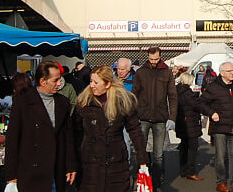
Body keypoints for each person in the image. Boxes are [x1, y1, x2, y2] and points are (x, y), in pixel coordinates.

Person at [4, 61, 76, 192]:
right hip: (30, 170)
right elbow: (12, 140)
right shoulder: (23, 103)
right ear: (43, 81)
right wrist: (11, 174)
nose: (59, 83)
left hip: (55, 170)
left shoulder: (63, 102)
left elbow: (68, 138)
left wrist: (71, 166)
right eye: (56, 80)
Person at [73, 65, 148, 191]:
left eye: (96, 82)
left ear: (107, 84)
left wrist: (142, 159)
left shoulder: (123, 101)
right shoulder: (84, 103)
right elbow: (75, 132)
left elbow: (135, 130)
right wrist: (73, 162)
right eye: (91, 81)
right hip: (90, 163)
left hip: (116, 162)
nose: (92, 85)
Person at [199, 62, 233, 192]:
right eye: (229, 71)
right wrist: (212, 113)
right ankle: (221, 182)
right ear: (222, 73)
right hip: (220, 127)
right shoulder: (213, 87)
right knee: (220, 157)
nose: (232, 73)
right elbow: (201, 103)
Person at [132, 47, 177, 187]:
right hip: (143, 116)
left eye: (156, 59)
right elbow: (135, 94)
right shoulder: (141, 72)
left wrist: (172, 118)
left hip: (160, 117)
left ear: (160, 56)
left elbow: (173, 96)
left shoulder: (167, 72)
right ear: (148, 57)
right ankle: (140, 179)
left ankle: (157, 181)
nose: (153, 62)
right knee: (141, 150)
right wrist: (134, 114)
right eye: (151, 59)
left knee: (158, 153)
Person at [176, 72, 204, 181]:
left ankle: (183, 169)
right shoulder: (187, 93)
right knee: (193, 147)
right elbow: (195, 105)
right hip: (190, 121)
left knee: (184, 146)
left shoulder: (177, 90)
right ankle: (190, 171)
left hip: (181, 121)